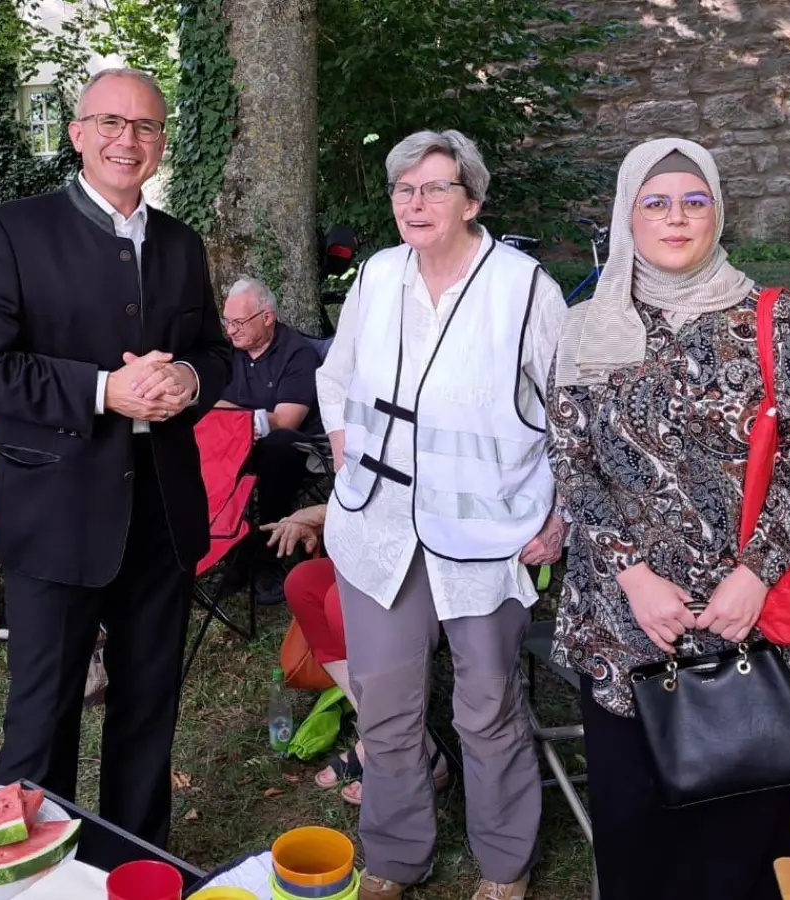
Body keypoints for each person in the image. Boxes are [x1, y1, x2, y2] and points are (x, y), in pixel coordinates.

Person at [0, 68, 230, 853]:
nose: (126, 140)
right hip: (56, 511)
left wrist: (188, 377)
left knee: (148, 708)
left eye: (144, 127)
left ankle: (132, 862)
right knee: (42, 716)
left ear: (161, 141)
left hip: (161, 514)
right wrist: (106, 391)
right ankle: (33, 864)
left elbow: (216, 353)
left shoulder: (179, 242)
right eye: (110, 122)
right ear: (76, 133)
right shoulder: (13, 230)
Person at [548, 137, 790, 900]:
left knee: (743, 833)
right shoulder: (588, 327)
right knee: (635, 823)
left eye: (693, 200)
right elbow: (571, 460)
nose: (675, 218)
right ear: (627, 215)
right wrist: (636, 576)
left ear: (717, 211)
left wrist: (756, 574)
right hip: (624, 620)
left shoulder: (770, 318)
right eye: (655, 203)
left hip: (749, 614)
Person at [316, 129, 566, 900]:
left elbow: (573, 412)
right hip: (377, 528)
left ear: (472, 200)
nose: (414, 203)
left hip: (485, 534)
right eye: (403, 189)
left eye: (434, 188)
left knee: (487, 707)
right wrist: (341, 446)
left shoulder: (525, 288)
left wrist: (556, 516)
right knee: (386, 709)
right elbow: (338, 376)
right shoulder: (378, 276)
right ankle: (395, 856)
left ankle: (504, 864)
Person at [264, 504, 451, 806]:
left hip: (442, 569)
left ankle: (411, 752)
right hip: (381, 557)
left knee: (342, 605)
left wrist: (329, 514)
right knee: (304, 583)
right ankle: (383, 735)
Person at [216, 276, 323, 604]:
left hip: (294, 451)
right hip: (232, 445)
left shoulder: (297, 354)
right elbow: (208, 405)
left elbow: (284, 421)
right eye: (227, 322)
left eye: (238, 322)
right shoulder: (227, 355)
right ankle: (231, 545)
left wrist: (236, 415)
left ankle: (268, 556)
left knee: (278, 446)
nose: (231, 330)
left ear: (267, 317)